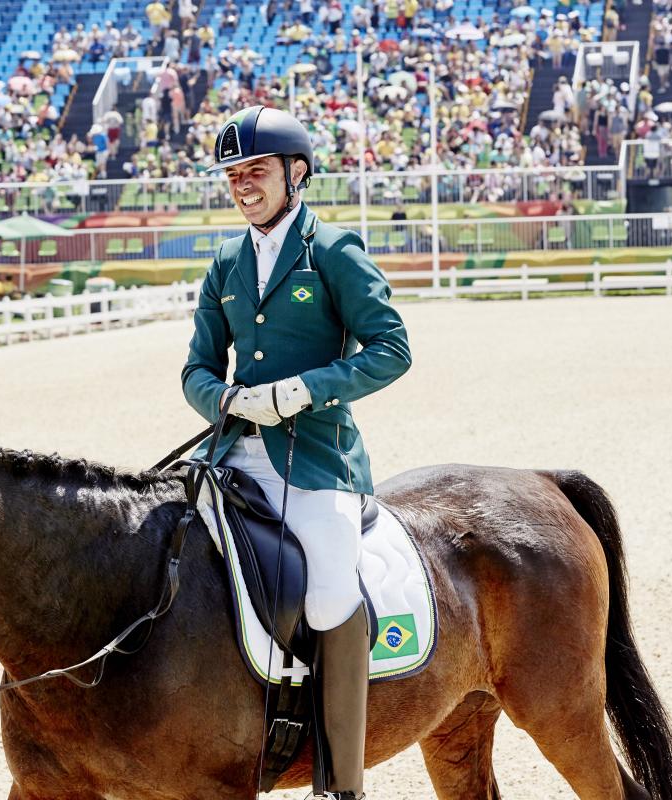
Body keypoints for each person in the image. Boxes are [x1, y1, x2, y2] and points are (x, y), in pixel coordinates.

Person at [182, 106, 411, 800]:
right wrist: (221, 401)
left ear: (296, 173)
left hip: (315, 460)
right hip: (231, 453)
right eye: (234, 175)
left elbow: (391, 350)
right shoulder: (224, 261)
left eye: (256, 171)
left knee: (331, 591)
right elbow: (195, 367)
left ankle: (341, 781)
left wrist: (301, 393)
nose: (243, 185)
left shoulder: (334, 252)